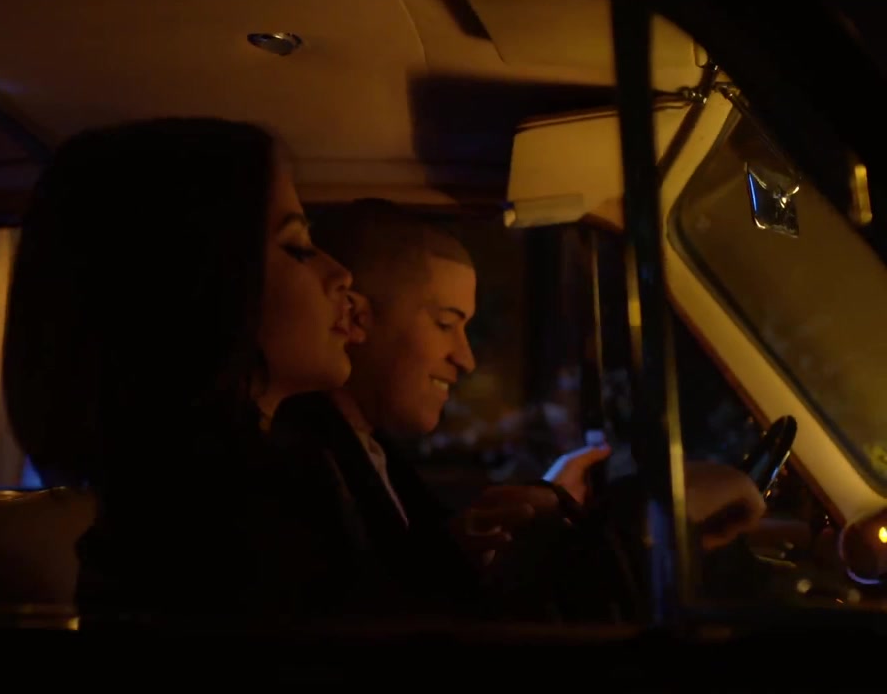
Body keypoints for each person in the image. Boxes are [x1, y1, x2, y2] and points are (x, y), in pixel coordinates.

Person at [273, 197, 766, 620]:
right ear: (355, 316)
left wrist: (545, 502)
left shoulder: (368, 452)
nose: (465, 359)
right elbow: (394, 624)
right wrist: (660, 505)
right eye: (445, 324)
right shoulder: (301, 462)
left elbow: (418, 573)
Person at [2, 118, 387, 630]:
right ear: (201, 285)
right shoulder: (222, 526)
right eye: (297, 246)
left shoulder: (184, 498)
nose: (341, 274)